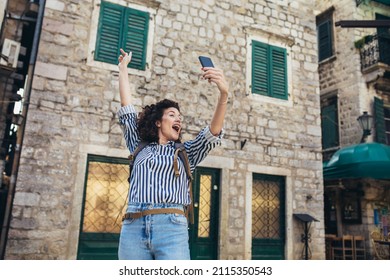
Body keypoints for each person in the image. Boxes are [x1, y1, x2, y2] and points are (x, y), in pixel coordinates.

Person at [116, 48, 229, 260]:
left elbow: (212, 132)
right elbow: (127, 108)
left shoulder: (186, 153)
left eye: (180, 116)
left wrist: (224, 94)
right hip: (133, 226)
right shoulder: (138, 145)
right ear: (158, 122)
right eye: (171, 114)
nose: (178, 119)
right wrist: (123, 69)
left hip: (171, 228)